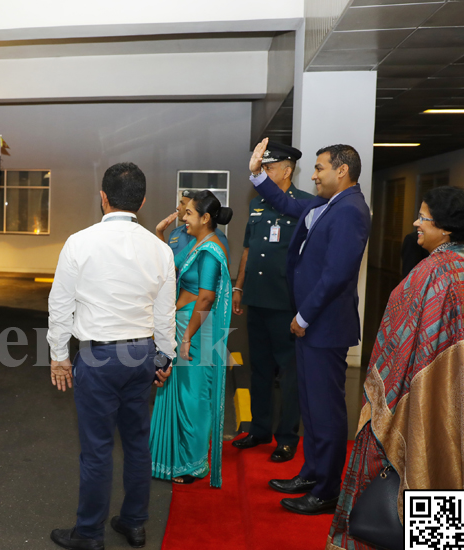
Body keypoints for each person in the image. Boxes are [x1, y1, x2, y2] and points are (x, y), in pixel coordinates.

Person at [325, 186, 464, 550]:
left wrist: (388, 383)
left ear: (445, 227)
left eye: (423, 217)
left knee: (392, 462)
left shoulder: (439, 271)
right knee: (443, 463)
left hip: (414, 387)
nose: (415, 223)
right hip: (455, 389)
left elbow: (412, 339)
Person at [46, 162, 176, 550]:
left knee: (98, 447)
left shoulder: (79, 242)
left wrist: (58, 357)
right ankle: (134, 524)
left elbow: (60, 306)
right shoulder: (159, 249)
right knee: (137, 443)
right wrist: (165, 358)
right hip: (141, 355)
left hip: (98, 358)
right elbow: (164, 312)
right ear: (143, 200)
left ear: (102, 197)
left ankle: (89, 532)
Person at [248, 138, 371, 515]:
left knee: (326, 410)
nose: (314, 175)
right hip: (312, 324)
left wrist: (302, 317)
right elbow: (285, 203)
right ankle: (313, 471)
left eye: (319, 168)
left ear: (342, 170)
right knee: (312, 408)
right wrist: (256, 175)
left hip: (323, 325)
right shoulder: (326, 203)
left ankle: (327, 490)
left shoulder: (350, 210)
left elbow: (336, 275)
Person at [231, 141, 313, 463]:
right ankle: (260, 428)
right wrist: (240, 288)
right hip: (258, 297)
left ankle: (287, 437)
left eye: (269, 167)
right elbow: (249, 250)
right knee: (259, 369)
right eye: (262, 168)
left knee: (289, 373)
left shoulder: (306, 204)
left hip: (286, 301)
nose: (265, 171)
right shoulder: (257, 205)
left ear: (288, 170)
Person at [149, 191, 233, 486]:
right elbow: (173, 271)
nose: (183, 218)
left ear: (205, 218)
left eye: (189, 214)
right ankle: (171, 458)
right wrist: (160, 234)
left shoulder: (210, 250)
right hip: (183, 323)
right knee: (177, 391)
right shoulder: (197, 243)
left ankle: (191, 464)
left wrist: (185, 338)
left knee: (193, 397)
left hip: (196, 330)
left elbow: (207, 297)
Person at [156, 190, 229, 261]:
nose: (178, 208)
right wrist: (160, 232)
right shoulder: (190, 240)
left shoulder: (214, 244)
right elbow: (169, 264)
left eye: (188, 213)